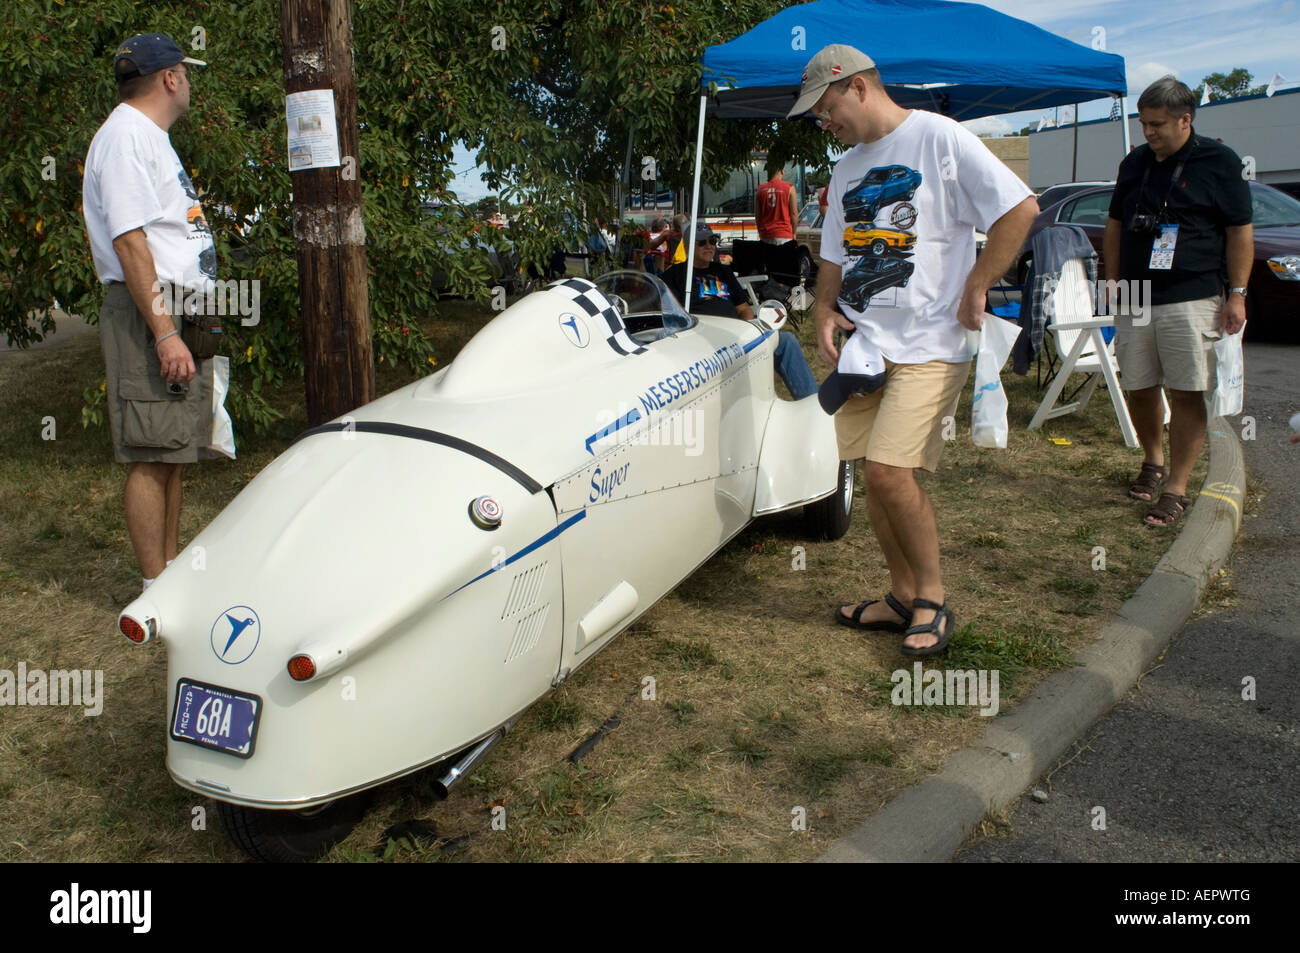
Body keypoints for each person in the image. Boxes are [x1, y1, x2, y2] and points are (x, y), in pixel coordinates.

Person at [790, 44, 1037, 655]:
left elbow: (1019, 208)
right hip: (866, 348)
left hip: (931, 343)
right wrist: (824, 309)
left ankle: (932, 599)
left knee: (890, 471)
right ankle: (900, 596)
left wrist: (979, 282)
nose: (826, 123)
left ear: (858, 87)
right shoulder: (846, 168)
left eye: (826, 109)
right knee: (874, 477)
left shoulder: (940, 138)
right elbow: (833, 253)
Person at [81, 33, 215, 594]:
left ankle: (169, 573)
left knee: (173, 450)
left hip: (173, 307)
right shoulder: (125, 138)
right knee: (150, 451)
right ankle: (153, 588)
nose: (188, 82)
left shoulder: (147, 136)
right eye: (186, 72)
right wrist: (164, 333)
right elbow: (131, 242)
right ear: (169, 78)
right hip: (150, 311)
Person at [1103, 76, 1252, 527]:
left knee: (1187, 389)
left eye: (1159, 124)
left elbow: (1239, 231)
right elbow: (1113, 225)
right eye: (1144, 124)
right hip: (1135, 292)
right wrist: (1113, 280)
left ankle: (1177, 487)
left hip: (1192, 293)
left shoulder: (1219, 162)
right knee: (1139, 385)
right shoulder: (1134, 163)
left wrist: (1238, 294)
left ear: (1186, 120)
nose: (1149, 132)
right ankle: (1153, 460)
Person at [663, 223, 818, 400]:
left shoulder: (723, 272)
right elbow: (675, 315)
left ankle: (812, 403)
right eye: (702, 242)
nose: (709, 246)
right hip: (703, 337)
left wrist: (746, 330)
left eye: (713, 240)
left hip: (735, 333)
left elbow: (743, 308)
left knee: (786, 340)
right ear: (688, 246)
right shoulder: (674, 275)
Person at [755, 167, 799, 245]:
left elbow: (758, 216)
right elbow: (794, 214)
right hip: (784, 236)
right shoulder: (789, 188)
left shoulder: (760, 190)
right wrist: (794, 233)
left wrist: (760, 233)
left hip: (765, 236)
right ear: (782, 171)